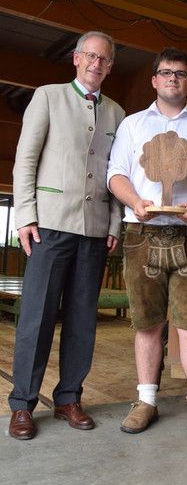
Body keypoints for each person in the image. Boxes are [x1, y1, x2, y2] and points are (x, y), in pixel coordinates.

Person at [8, 31, 125, 440]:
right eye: (90, 55)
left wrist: (114, 223)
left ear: (110, 66)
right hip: (50, 225)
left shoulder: (117, 113)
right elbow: (25, 160)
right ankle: (22, 403)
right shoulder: (48, 96)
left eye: (104, 59)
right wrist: (25, 216)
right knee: (36, 317)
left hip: (95, 230)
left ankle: (69, 398)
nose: (96, 63)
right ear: (76, 58)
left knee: (82, 320)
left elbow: (118, 173)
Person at [107, 47, 187, 444]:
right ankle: (145, 401)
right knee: (147, 322)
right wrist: (135, 202)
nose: (172, 78)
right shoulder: (133, 124)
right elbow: (116, 174)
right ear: (154, 80)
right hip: (141, 233)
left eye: (180, 73)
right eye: (165, 72)